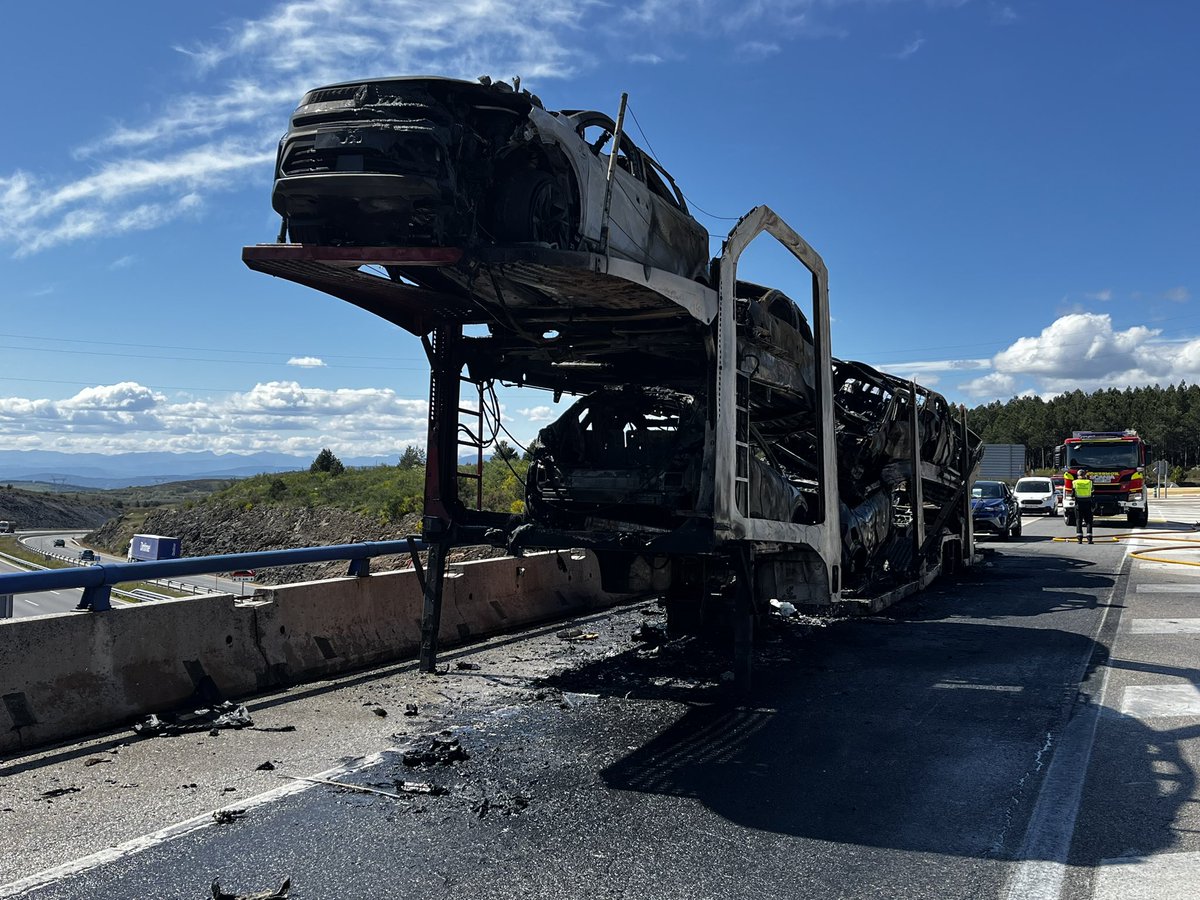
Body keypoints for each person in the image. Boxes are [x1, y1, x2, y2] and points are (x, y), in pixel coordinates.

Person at [1073, 466, 1095, 544]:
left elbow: (1072, 493)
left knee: (1078, 521)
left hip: (1078, 504)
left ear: (1078, 475)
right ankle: (1089, 539)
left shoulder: (1075, 482)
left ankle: (1079, 539)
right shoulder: (1089, 482)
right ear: (1085, 475)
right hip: (1088, 504)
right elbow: (1093, 491)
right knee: (1089, 521)